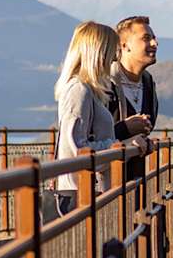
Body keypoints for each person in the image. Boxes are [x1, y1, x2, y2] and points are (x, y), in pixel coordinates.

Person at [53, 21, 150, 216]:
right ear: (98, 52)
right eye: (111, 52)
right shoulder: (78, 90)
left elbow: (89, 141)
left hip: (91, 192)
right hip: (81, 195)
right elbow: (79, 151)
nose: (115, 59)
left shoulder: (89, 90)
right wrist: (127, 146)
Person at [109, 15, 160, 182]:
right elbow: (89, 139)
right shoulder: (105, 82)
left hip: (135, 183)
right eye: (146, 38)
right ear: (125, 46)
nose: (155, 43)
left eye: (154, 38)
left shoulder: (148, 82)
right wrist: (124, 129)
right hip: (104, 189)